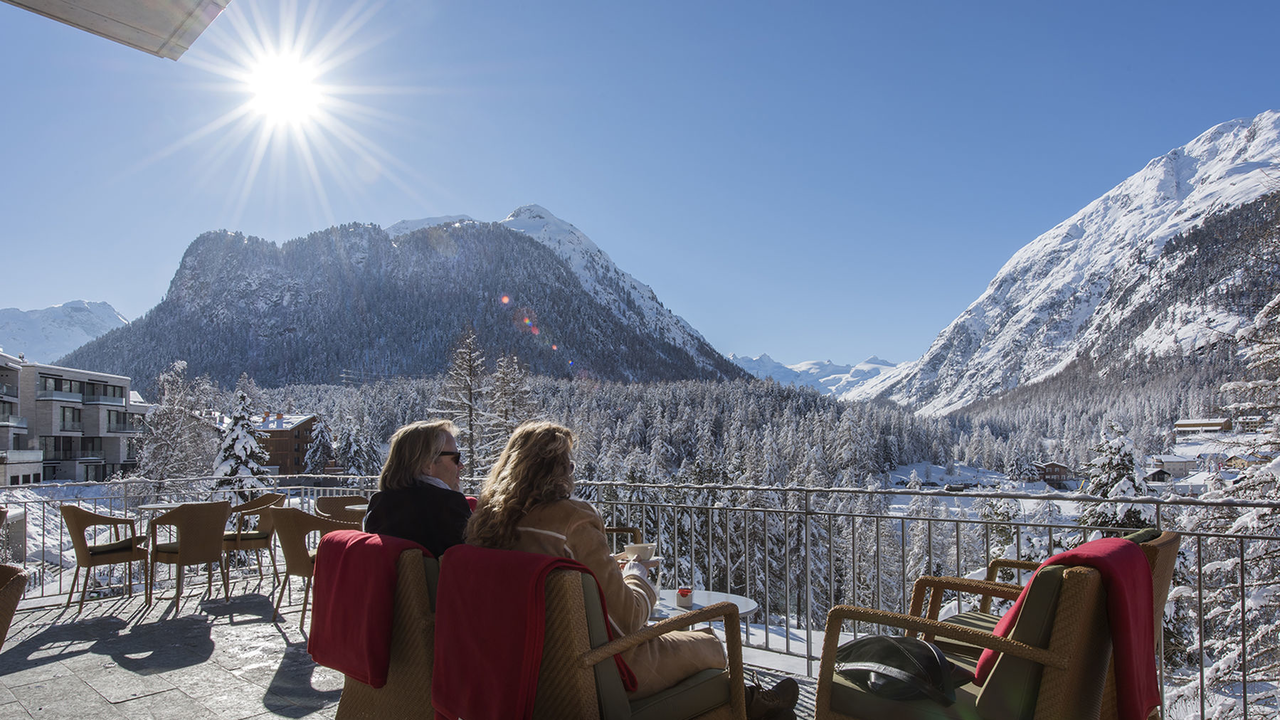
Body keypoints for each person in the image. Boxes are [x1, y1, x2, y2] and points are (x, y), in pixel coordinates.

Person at [465, 420, 797, 719]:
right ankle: (752, 704)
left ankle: (756, 703)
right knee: (708, 642)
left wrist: (608, 569)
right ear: (559, 470)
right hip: (602, 667)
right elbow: (627, 619)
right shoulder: (572, 520)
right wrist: (636, 573)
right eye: (570, 463)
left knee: (675, 635)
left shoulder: (490, 527)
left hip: (531, 669)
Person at [363, 419, 471, 558]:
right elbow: (471, 563)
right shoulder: (449, 506)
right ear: (427, 464)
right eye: (455, 457)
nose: (461, 465)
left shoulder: (378, 505)